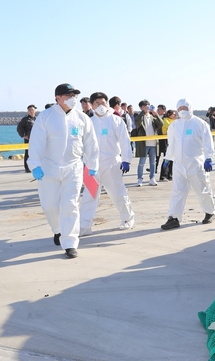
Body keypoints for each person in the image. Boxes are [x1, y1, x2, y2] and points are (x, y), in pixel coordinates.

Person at [27, 83, 99, 259]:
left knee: (70, 205)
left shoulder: (82, 118)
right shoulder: (45, 117)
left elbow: (91, 143)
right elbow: (36, 142)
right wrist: (35, 165)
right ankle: (58, 230)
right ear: (57, 98)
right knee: (50, 206)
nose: (72, 98)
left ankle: (70, 242)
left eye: (74, 95)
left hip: (73, 168)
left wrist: (93, 165)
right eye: (68, 95)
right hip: (48, 169)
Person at [79, 92, 135, 235]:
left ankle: (127, 218)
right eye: (97, 103)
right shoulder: (88, 121)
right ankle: (84, 226)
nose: (100, 106)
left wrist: (126, 160)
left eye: (103, 103)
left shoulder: (116, 120)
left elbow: (124, 141)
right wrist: (83, 163)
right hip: (91, 166)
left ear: (107, 104)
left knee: (117, 193)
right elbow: (82, 144)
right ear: (92, 105)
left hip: (112, 164)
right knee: (89, 196)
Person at [160, 98, 215, 230]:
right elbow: (172, 143)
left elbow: (208, 142)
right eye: (180, 109)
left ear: (190, 108)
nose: (182, 111)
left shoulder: (200, 124)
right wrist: (168, 158)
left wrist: (209, 158)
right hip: (179, 164)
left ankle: (210, 212)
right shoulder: (174, 125)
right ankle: (173, 218)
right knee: (177, 191)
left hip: (196, 163)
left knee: (202, 189)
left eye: (185, 108)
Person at [134, 100, 163, 186]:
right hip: (144, 144)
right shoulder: (139, 116)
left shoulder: (152, 117)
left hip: (153, 144)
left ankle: (152, 178)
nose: (147, 107)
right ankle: (140, 179)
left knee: (153, 162)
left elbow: (161, 124)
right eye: (145, 105)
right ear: (141, 107)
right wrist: (143, 112)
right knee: (141, 162)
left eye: (148, 105)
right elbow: (137, 122)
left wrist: (156, 114)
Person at [16, 104, 37, 173]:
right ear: (28, 111)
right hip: (28, 139)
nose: (31, 111)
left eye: (32, 110)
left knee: (36, 153)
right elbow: (19, 128)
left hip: (36, 139)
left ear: (35, 110)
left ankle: (35, 166)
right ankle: (27, 168)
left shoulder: (37, 119)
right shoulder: (25, 119)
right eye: (30, 110)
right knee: (28, 153)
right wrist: (23, 135)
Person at [159, 109, 176, 181]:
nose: (175, 116)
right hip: (165, 140)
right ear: (169, 115)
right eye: (173, 114)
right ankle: (163, 175)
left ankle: (170, 174)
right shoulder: (165, 119)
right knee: (167, 157)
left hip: (173, 140)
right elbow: (169, 126)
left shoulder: (175, 121)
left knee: (173, 158)